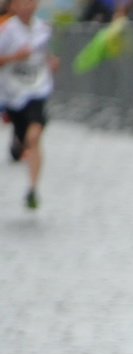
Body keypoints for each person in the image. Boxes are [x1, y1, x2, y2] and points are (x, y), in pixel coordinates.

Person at [0, 0, 52, 210]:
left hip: (38, 89)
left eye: (30, 2)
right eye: (22, 3)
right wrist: (15, 57)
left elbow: (44, 53)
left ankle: (32, 188)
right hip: (13, 94)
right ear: (14, 6)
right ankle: (19, 144)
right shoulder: (6, 30)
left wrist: (51, 61)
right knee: (24, 137)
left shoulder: (43, 28)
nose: (27, 6)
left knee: (35, 136)